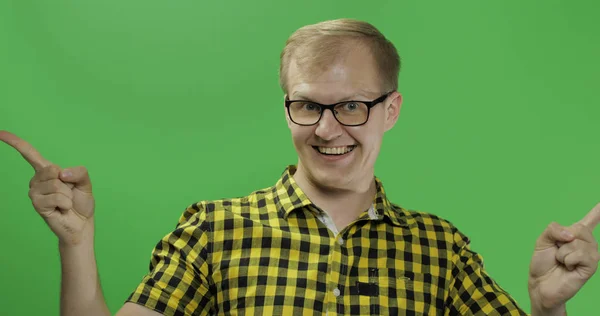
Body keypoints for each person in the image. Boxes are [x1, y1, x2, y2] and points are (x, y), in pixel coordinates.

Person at [1, 18, 599, 316]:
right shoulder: (213, 229)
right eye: (308, 104)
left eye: (352, 106)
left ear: (390, 111)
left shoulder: (439, 249)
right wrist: (76, 243)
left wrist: (549, 311)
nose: (327, 128)